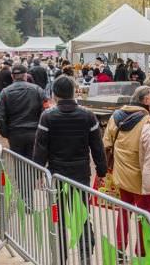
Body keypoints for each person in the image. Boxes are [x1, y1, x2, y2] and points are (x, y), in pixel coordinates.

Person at [33, 76, 107, 264]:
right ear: (74, 92)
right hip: (81, 173)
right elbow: (97, 146)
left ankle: (61, 256)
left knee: (59, 218)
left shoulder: (48, 116)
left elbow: (41, 147)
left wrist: (37, 171)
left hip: (57, 174)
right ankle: (85, 254)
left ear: (55, 94)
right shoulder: (88, 115)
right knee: (81, 214)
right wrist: (102, 170)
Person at [103, 85, 150, 258]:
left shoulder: (115, 116)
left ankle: (118, 249)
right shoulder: (147, 122)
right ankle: (141, 251)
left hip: (121, 173)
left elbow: (106, 143)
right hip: (140, 178)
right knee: (143, 216)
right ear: (146, 101)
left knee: (124, 212)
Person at [0, 64, 46, 159]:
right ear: (26, 75)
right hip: (33, 132)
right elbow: (45, 111)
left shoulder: (5, 92)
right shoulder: (37, 90)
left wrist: (6, 132)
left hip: (16, 133)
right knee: (34, 164)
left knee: (19, 165)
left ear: (12, 76)